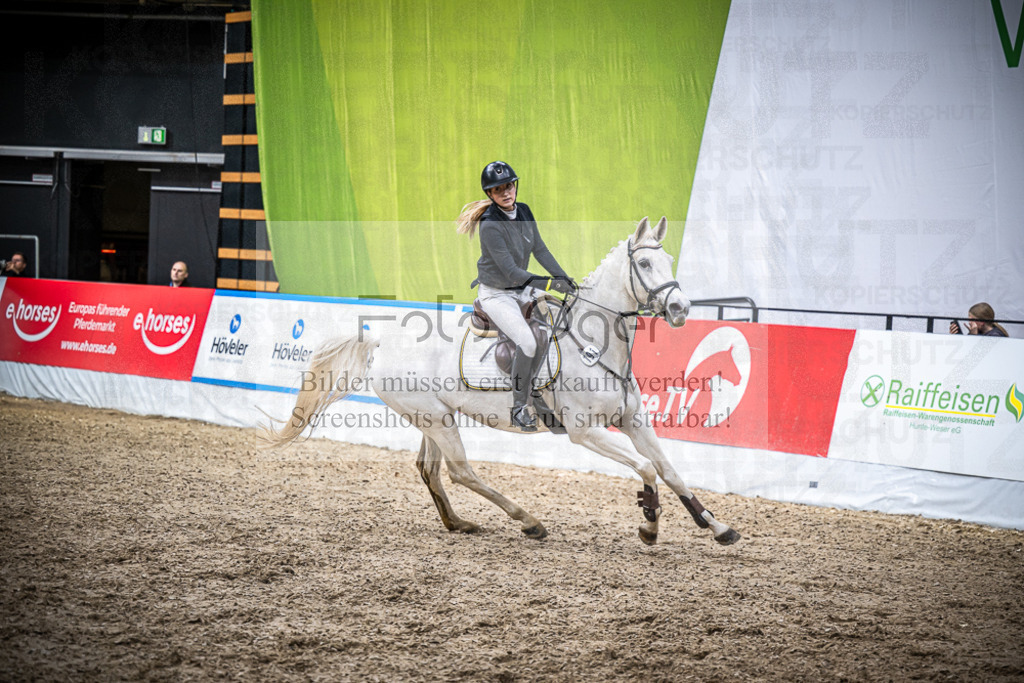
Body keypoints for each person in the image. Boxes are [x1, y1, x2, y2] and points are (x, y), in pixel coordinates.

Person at [456, 161, 575, 432]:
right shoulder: (490, 225)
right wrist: (549, 283)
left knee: (553, 326)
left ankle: (536, 392)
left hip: (521, 288)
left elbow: (540, 250)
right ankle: (520, 406)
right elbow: (511, 271)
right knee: (528, 343)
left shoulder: (524, 211)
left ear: (515, 186)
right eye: (498, 190)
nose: (506, 193)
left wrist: (563, 277)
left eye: (508, 186)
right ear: (490, 195)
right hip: (497, 294)